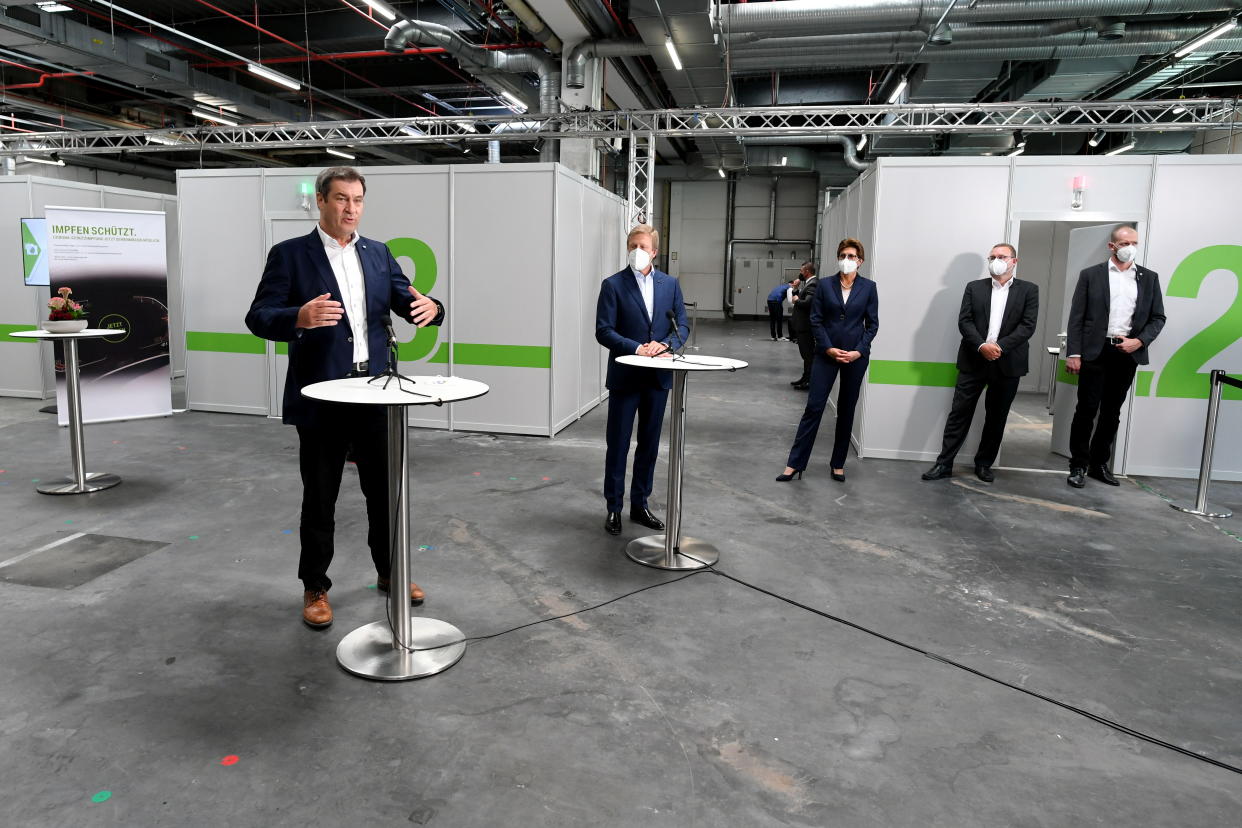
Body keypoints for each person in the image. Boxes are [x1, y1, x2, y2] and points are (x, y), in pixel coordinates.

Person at [244, 166, 445, 629]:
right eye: (341, 199)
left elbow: (408, 300)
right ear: (320, 201)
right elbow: (259, 317)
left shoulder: (378, 254)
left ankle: (391, 574)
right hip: (322, 395)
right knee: (320, 497)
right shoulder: (290, 255)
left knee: (384, 493)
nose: (350, 208)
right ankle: (315, 586)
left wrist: (433, 308)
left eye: (357, 200)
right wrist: (298, 315)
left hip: (375, 394)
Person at [595, 224, 691, 535]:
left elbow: (682, 328)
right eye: (632, 245)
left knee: (649, 445)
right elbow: (604, 330)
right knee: (618, 445)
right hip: (625, 376)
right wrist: (636, 348)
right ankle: (614, 509)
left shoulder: (670, 285)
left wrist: (665, 346)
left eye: (643, 246)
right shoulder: (613, 285)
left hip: (658, 379)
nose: (637, 251)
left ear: (655, 251)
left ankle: (640, 505)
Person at [922, 243, 1039, 484]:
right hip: (974, 359)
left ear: (1014, 262)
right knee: (959, 414)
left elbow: (1028, 326)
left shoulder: (1029, 290)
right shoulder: (974, 288)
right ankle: (944, 463)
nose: (996, 260)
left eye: (1002, 256)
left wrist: (999, 347)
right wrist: (982, 346)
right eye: (993, 256)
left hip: (1007, 363)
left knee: (997, 417)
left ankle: (984, 464)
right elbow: (965, 321)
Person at [1064, 224, 1165, 489]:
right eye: (1124, 243)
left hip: (1126, 352)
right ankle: (1078, 465)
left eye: (1134, 242)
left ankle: (1099, 464)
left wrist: (1139, 341)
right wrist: (1073, 353)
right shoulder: (1091, 275)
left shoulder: (1149, 278)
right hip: (1094, 352)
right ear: (1112, 246)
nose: (1129, 247)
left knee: (1111, 412)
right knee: (1086, 410)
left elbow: (1158, 317)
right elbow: (1077, 318)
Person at [777, 238, 878, 483]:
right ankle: (795, 463)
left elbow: (872, 324)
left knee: (846, 409)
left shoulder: (869, 287)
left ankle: (838, 464)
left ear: (860, 261)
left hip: (855, 357)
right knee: (814, 408)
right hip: (826, 354)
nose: (846, 260)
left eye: (852, 256)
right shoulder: (824, 285)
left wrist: (859, 351)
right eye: (843, 255)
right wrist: (829, 348)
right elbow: (816, 320)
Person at [789, 261, 819, 389]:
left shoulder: (813, 284)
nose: (800, 273)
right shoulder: (808, 283)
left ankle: (808, 381)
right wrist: (795, 289)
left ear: (807, 271)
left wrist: (796, 300)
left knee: (808, 355)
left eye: (801, 271)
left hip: (806, 327)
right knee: (805, 355)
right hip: (803, 326)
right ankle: (805, 378)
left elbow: (808, 303)